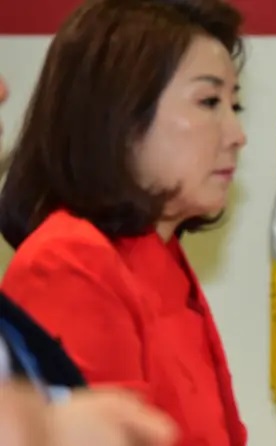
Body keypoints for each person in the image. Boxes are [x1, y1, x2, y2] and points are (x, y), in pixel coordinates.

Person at [0, 0, 248, 445]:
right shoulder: (69, 263)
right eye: (209, 101)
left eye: (235, 105)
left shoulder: (160, 255)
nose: (236, 135)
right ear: (120, 113)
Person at [0, 74, 176, 446]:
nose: (3, 89)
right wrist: (48, 432)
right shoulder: (67, 258)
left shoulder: (167, 261)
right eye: (208, 101)